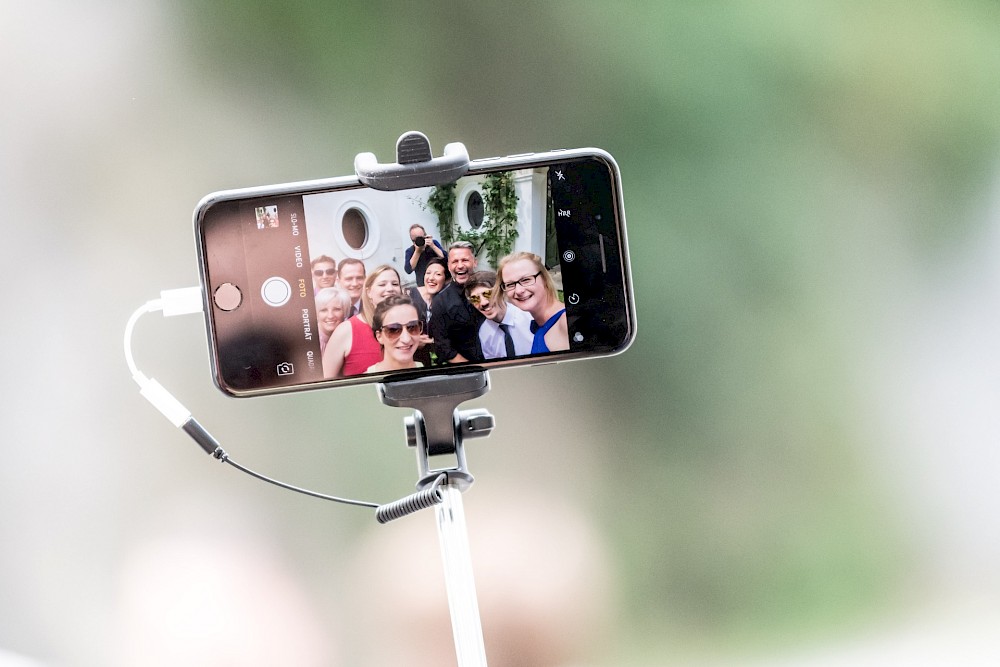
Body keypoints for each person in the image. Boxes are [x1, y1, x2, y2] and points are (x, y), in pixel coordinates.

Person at [322, 264, 402, 377]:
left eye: (395, 284)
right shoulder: (346, 330)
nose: (390, 289)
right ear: (369, 292)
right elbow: (325, 382)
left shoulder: (407, 329)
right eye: (382, 284)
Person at [497, 251, 568, 353]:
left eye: (526, 280)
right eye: (510, 284)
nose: (518, 290)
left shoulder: (565, 321)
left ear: (544, 278)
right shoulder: (540, 325)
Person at [429, 241, 484, 364]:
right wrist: (472, 368)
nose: (460, 266)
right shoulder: (440, 301)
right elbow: (443, 346)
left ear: (475, 262)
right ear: (449, 266)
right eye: (455, 261)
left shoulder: (489, 290)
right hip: (465, 369)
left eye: (465, 260)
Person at [464, 271, 534, 359]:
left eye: (488, 294)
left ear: (501, 291)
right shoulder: (485, 333)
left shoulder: (529, 318)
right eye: (475, 299)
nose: (483, 303)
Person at [365, 294, 425, 373]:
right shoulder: (368, 383)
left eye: (412, 327)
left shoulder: (429, 375)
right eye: (393, 330)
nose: (406, 339)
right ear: (379, 336)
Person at [314, 286, 352, 354]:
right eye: (323, 310)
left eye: (337, 309)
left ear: (345, 311)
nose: (330, 316)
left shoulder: (349, 337)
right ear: (316, 314)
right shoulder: (308, 341)